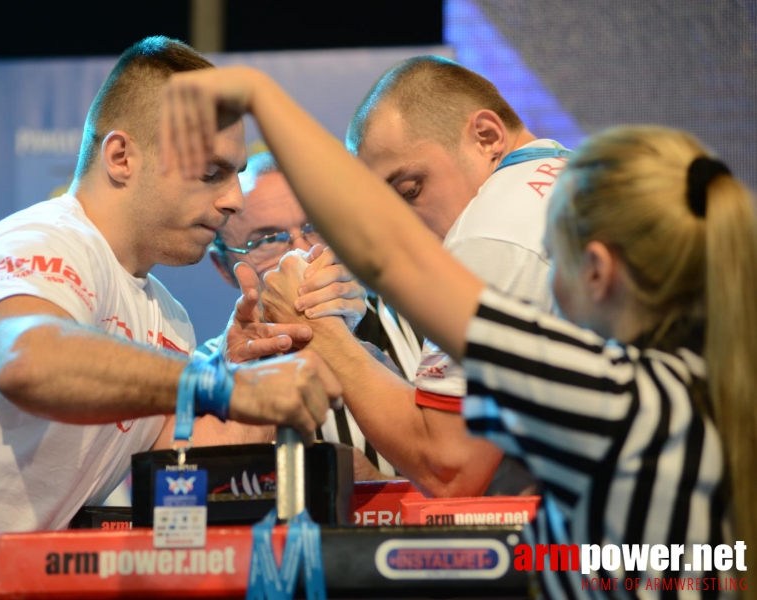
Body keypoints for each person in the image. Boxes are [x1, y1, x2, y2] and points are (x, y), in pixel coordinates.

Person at [157, 65, 754, 597]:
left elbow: (446, 460)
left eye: (557, 256)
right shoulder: (703, 387)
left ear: (596, 271)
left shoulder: (608, 390)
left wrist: (261, 96)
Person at [0, 38, 342, 599]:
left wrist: (265, 355)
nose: (234, 198)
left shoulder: (168, 314)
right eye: (212, 172)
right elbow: (30, 362)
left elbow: (177, 471)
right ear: (121, 158)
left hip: (14, 588)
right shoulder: (43, 240)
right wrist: (219, 384)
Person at [228, 57, 559, 497]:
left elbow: (448, 471)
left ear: (486, 136)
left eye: (411, 190)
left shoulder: (488, 232)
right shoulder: (559, 177)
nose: (402, 226)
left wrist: (319, 331)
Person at [202, 151, 422, 478]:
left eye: (314, 227)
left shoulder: (422, 326)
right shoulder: (207, 370)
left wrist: (377, 487)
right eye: (266, 240)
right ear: (224, 268)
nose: (299, 252)